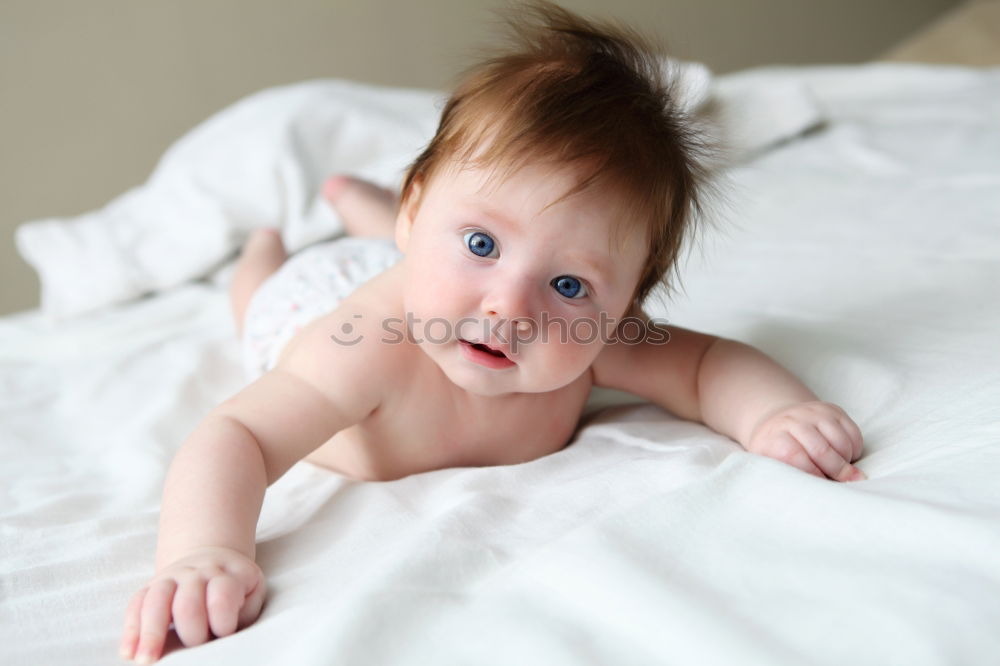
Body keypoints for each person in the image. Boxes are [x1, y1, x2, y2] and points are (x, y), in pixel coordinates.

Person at [119, 1, 865, 662]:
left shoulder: (592, 344)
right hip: (313, 299)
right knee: (260, 300)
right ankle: (279, 241)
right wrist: (204, 550)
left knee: (442, 263)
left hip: (425, 268)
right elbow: (238, 434)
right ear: (424, 209)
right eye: (482, 242)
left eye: (569, 285)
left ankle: (384, 216)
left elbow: (706, 368)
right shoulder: (361, 349)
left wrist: (774, 413)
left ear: (625, 307)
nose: (511, 311)